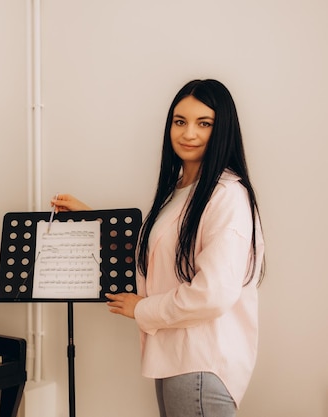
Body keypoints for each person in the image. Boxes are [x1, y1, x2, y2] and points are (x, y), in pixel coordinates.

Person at [52, 79, 265, 417]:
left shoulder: (226, 195)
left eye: (204, 123)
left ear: (222, 129)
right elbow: (154, 254)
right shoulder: (179, 190)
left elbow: (213, 294)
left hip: (201, 363)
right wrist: (91, 219)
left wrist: (143, 308)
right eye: (180, 122)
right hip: (177, 358)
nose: (188, 133)